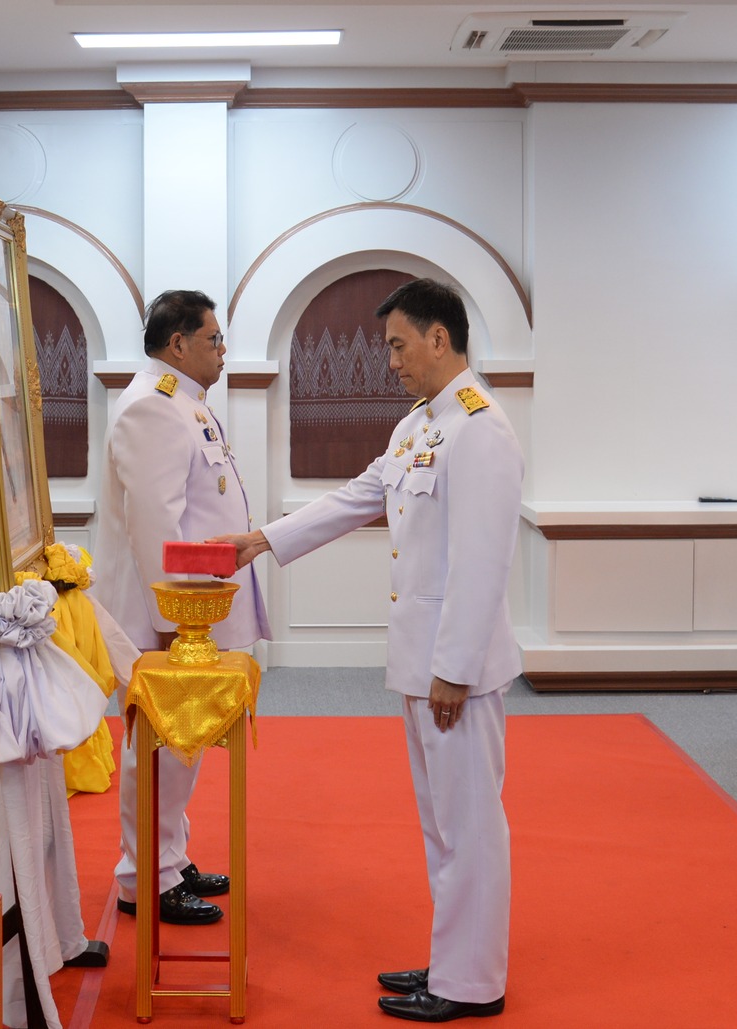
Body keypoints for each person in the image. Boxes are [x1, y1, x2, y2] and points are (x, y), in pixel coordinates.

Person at [218, 278, 521, 1024]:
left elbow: (482, 564)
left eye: (397, 344)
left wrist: (453, 668)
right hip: (425, 659)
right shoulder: (423, 423)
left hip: (457, 666)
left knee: (470, 824)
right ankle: (453, 959)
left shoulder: (481, 429)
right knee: (441, 822)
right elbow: (360, 494)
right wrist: (264, 539)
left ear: (439, 338)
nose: (390, 361)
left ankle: (472, 983)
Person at [91, 289, 267, 925]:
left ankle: (170, 853)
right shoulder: (154, 409)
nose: (223, 351)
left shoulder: (183, 404)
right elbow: (155, 525)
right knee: (160, 744)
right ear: (178, 346)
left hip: (188, 614)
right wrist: (177, 627)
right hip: (163, 616)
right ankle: (146, 876)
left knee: (181, 742)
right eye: (215, 339)